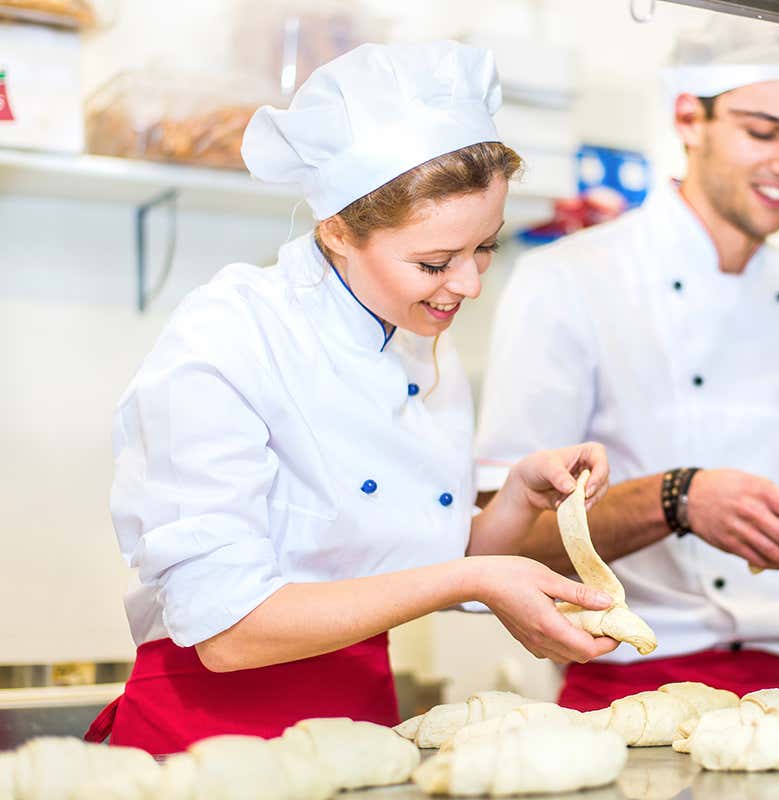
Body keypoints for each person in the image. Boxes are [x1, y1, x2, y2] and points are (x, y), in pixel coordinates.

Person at [85, 41, 617, 756]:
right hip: (208, 744)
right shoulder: (231, 334)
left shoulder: (419, 339)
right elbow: (226, 632)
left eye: (485, 247)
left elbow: (414, 555)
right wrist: (475, 575)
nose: (468, 285)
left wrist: (516, 498)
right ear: (336, 228)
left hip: (362, 734)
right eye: (434, 262)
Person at [474, 16, 779, 711]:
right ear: (688, 117)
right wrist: (676, 499)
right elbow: (506, 545)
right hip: (633, 691)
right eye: (763, 132)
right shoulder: (568, 282)